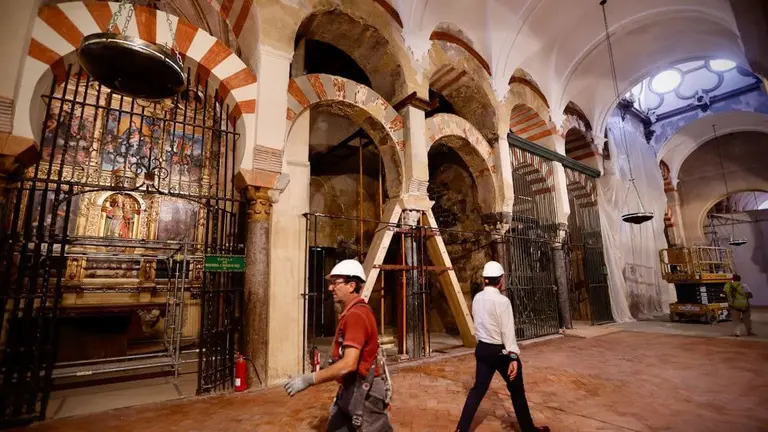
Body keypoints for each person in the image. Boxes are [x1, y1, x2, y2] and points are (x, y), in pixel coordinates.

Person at [284, 259, 392, 431]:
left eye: (336, 283)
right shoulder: (352, 312)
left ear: (351, 285)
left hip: (365, 393)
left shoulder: (356, 315)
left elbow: (349, 364)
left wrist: (309, 379)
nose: (330, 288)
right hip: (352, 388)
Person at [456, 261, 549, 432]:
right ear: (500, 281)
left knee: (477, 390)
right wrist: (513, 356)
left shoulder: (477, 298)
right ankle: (529, 429)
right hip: (500, 352)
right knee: (517, 391)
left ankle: (461, 429)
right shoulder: (502, 301)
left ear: (485, 279)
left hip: (482, 349)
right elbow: (507, 332)